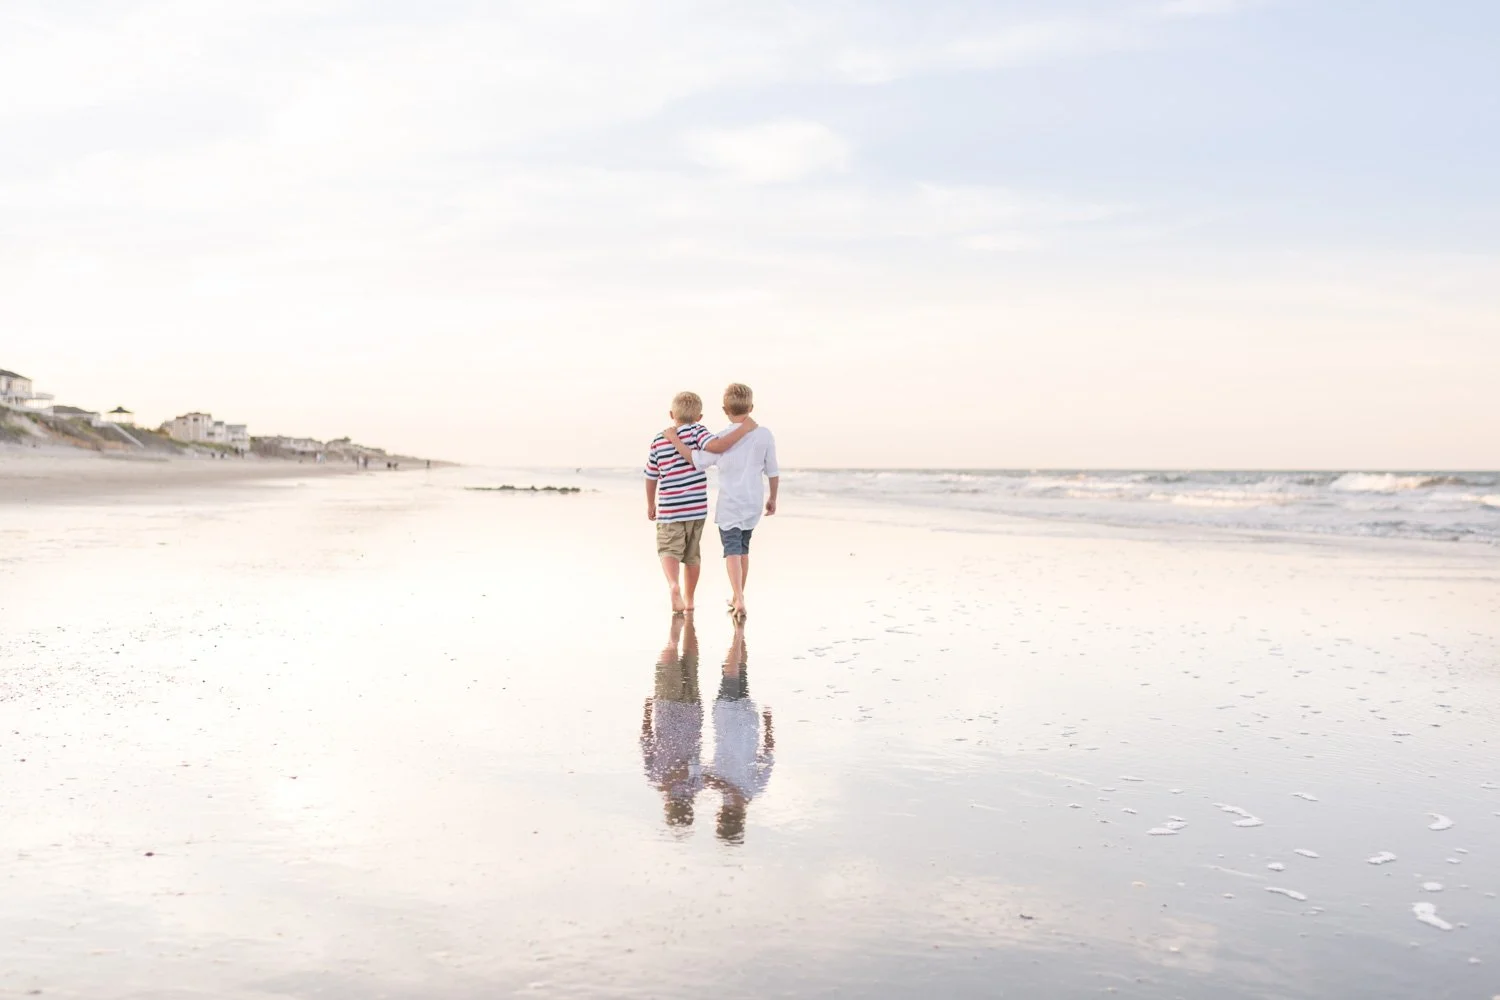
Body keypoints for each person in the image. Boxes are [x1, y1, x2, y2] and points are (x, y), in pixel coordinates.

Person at [664, 383, 777, 622]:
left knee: (732, 550)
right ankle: (738, 596)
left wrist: (675, 441)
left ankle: (738, 596)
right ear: (752, 407)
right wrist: (773, 498)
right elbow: (773, 471)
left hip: (730, 505)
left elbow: (697, 460)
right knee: (743, 549)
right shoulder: (765, 434)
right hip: (753, 503)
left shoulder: (722, 438)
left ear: (725, 409)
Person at [644, 391, 753, 614]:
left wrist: (650, 504)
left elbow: (651, 475)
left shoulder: (659, 439)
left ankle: (674, 586)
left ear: (671, 414)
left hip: (669, 507)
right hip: (695, 508)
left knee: (668, 549)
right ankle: (690, 599)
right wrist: (745, 429)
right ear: (699, 417)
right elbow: (717, 445)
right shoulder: (698, 432)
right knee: (692, 555)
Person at [705, 622, 773, 844]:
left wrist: (768, 724)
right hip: (729, 718)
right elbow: (768, 757)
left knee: (738, 670)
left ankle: (739, 631)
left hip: (744, 719)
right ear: (723, 817)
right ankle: (738, 632)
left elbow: (769, 755)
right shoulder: (736, 791)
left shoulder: (753, 789)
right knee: (733, 671)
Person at [641, 615, 703, 829]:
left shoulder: (666, 780)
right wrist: (647, 712)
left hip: (688, 712)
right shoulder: (660, 779)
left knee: (688, 659)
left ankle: (683, 620)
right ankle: (681, 623)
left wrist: (648, 711)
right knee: (681, 658)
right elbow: (646, 741)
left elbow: (646, 742)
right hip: (678, 710)